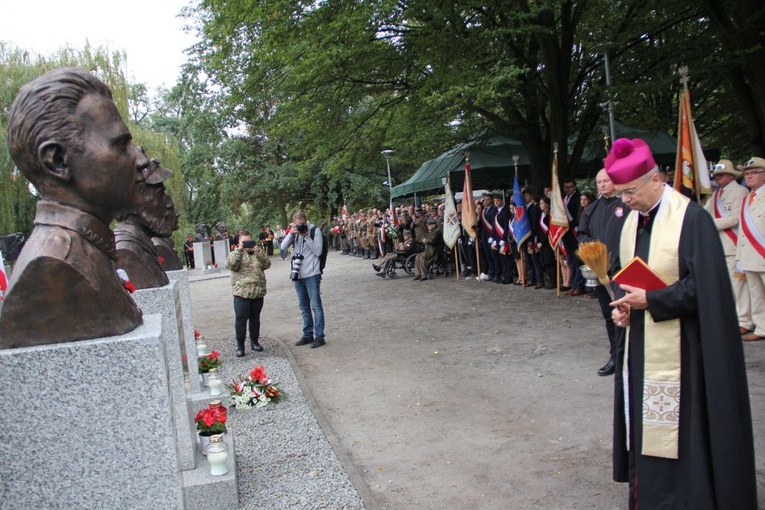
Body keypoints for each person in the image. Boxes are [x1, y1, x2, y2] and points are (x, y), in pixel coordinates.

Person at [607, 138, 756, 508]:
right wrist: (626, 307)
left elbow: (706, 288)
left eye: (630, 192)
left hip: (686, 346)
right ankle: (650, 493)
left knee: (684, 429)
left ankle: (687, 496)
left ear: (655, 179)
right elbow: (628, 276)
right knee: (647, 424)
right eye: (621, 193)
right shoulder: (633, 224)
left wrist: (653, 300)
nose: (624, 201)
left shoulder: (692, 219)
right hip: (643, 341)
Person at [0, 68, 146, 348]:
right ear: (57, 161)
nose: (140, 159)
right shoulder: (52, 267)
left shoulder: (89, 251)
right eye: (122, 144)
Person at [576, 169, 627, 376]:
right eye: (599, 181)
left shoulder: (627, 205)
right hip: (600, 271)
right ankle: (615, 356)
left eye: (606, 180)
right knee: (609, 316)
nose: (603, 184)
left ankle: (630, 356)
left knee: (626, 314)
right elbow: (582, 234)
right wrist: (593, 256)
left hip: (623, 270)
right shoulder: (592, 209)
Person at [703, 160, 753, 337]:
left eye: (721, 175)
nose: (718, 177)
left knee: (738, 285)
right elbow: (704, 213)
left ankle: (744, 320)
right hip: (719, 245)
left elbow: (734, 219)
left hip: (734, 244)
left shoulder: (740, 192)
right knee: (726, 285)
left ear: (731, 176)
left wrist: (707, 223)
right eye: (716, 175)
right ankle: (733, 318)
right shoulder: (716, 195)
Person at [114, 156, 176, 289]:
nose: (169, 204)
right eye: (159, 196)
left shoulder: (142, 243)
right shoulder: (125, 249)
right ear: (134, 200)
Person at [280, 212, 326, 348]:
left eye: (302, 223)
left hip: (312, 273)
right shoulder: (294, 233)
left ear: (306, 221)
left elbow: (318, 251)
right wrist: (292, 233)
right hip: (297, 274)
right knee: (304, 307)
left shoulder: (314, 231)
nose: (301, 226)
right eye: (298, 224)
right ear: (294, 223)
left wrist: (306, 236)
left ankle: (319, 336)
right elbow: (282, 247)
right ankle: (307, 335)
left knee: (316, 306)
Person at [226, 231, 271, 356]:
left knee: (255, 318)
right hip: (241, 292)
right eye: (243, 242)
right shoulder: (235, 254)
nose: (247, 244)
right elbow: (231, 265)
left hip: (257, 291)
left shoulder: (257, 253)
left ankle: (254, 342)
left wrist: (259, 252)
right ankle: (240, 346)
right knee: (241, 319)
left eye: (249, 241)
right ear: (238, 243)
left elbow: (267, 264)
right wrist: (239, 250)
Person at [736, 156, 765, 341]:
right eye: (747, 173)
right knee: (756, 295)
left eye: (754, 172)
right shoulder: (747, 199)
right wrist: (739, 257)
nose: (749, 176)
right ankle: (762, 328)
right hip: (750, 255)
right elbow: (742, 230)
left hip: (762, 251)